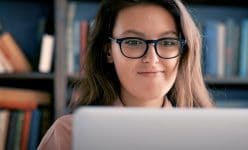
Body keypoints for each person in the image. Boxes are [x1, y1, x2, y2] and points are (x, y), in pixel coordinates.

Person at [38, 0, 214, 149]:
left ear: (183, 51)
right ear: (108, 52)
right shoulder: (68, 135)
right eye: (133, 41)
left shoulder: (208, 136)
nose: (151, 58)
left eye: (167, 42)